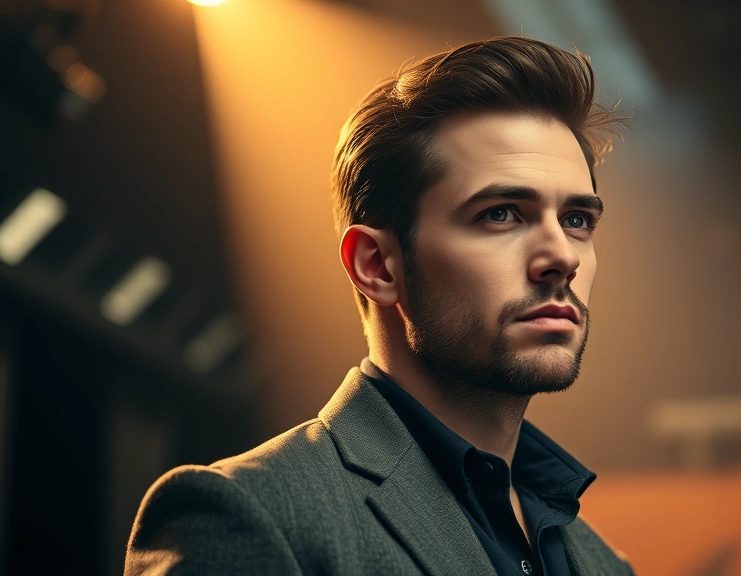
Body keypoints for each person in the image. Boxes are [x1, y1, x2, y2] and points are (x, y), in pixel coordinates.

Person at [124, 36, 632, 576]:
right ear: (377, 265)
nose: (561, 256)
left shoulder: (604, 565)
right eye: (502, 214)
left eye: (577, 220)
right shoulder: (249, 515)